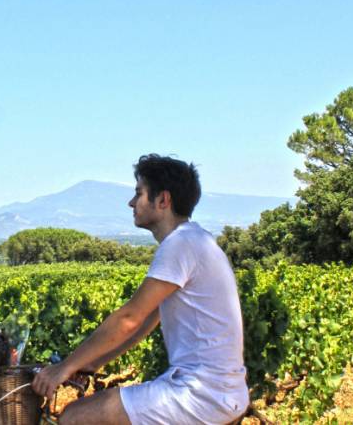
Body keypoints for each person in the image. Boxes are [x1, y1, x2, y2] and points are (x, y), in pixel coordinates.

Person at [32, 154, 249, 424]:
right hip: (223, 393)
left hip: (200, 395)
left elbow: (129, 318)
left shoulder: (179, 244)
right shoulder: (197, 240)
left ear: (163, 200)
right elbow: (146, 322)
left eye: (139, 194)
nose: (131, 203)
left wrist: (64, 367)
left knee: (75, 417)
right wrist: (92, 363)